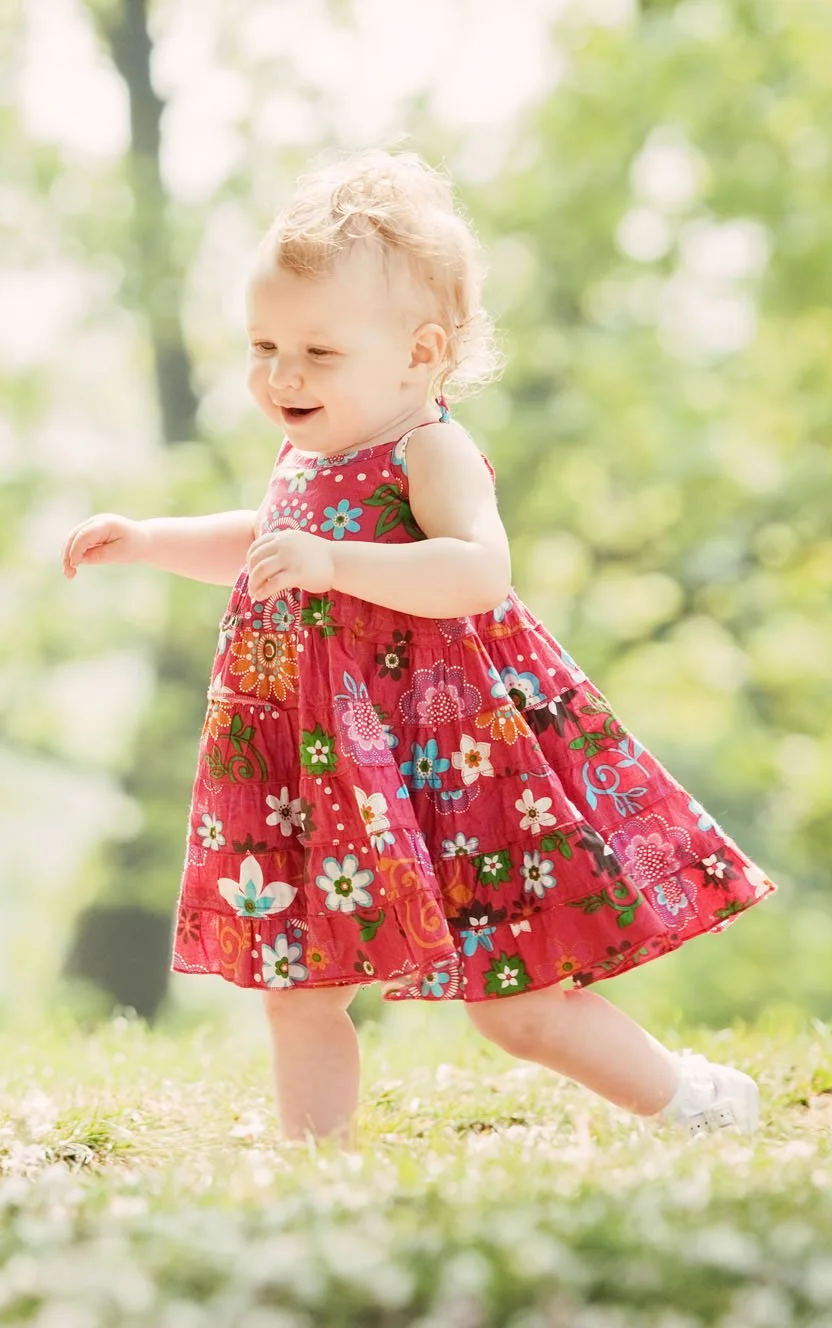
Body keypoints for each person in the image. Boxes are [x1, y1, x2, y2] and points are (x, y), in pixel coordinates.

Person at [61, 149, 775, 1143]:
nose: (281, 374)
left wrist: (333, 565)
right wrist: (147, 539)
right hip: (328, 761)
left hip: (450, 759)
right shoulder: (303, 456)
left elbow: (476, 569)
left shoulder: (425, 450)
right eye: (264, 345)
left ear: (419, 352)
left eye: (316, 351)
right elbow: (264, 546)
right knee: (300, 979)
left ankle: (689, 1098)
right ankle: (317, 1168)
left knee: (515, 1006)